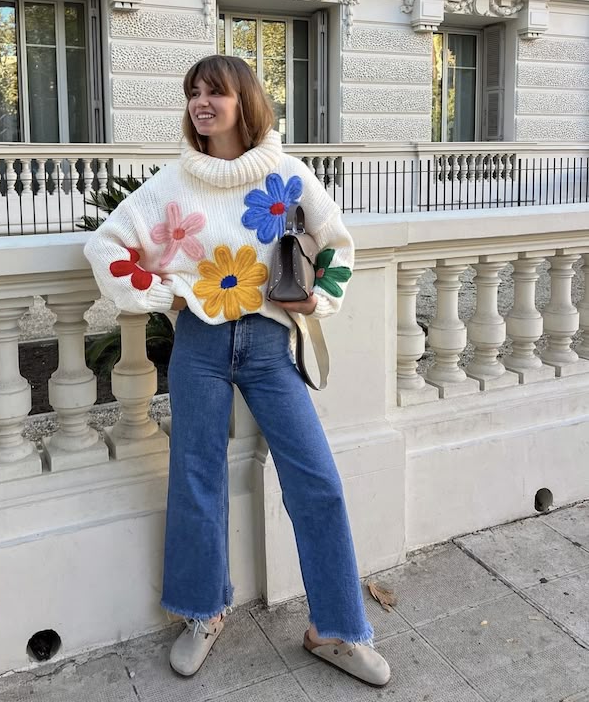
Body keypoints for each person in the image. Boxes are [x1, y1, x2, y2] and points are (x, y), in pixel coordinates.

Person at [84, 54, 391, 687]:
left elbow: (337, 245)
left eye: (215, 92)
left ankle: (336, 629)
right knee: (195, 478)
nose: (201, 102)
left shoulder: (286, 174)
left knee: (317, 482)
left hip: (270, 345)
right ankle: (204, 612)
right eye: (193, 92)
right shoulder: (173, 183)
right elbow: (105, 244)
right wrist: (166, 294)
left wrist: (316, 298)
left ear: (243, 101)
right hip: (199, 344)